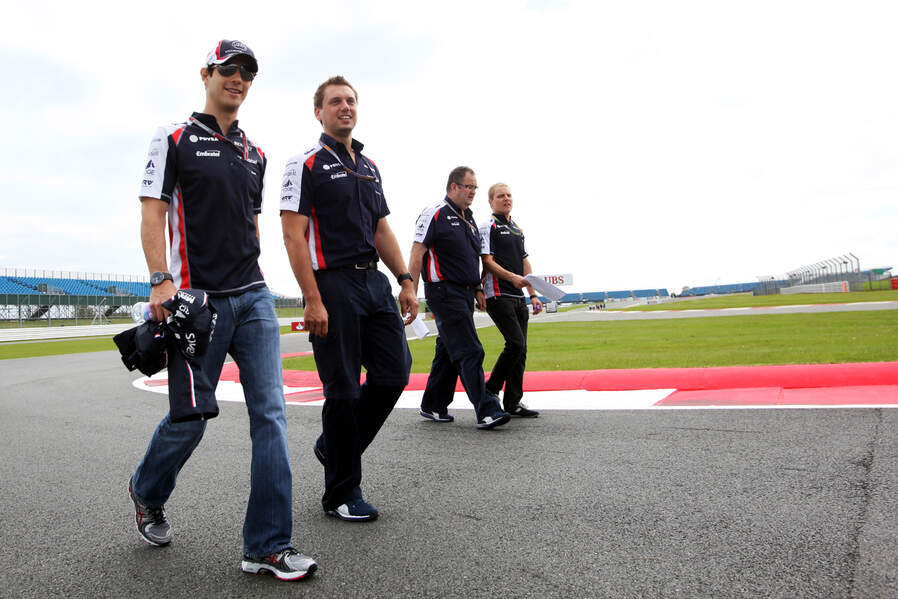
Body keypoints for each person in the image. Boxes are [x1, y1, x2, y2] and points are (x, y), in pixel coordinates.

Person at [129, 40, 316, 581]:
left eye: (248, 73)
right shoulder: (173, 139)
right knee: (191, 419)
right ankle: (147, 490)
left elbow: (249, 224)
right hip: (196, 302)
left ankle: (267, 545)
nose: (239, 79)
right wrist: (161, 281)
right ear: (207, 73)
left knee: (272, 416)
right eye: (230, 69)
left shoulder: (254, 153)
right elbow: (153, 213)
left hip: (254, 295)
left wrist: (262, 276)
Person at [281, 76, 416, 523]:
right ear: (318, 112)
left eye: (351, 101)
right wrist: (311, 298)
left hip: (374, 283)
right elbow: (292, 234)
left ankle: (334, 447)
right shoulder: (305, 164)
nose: (345, 107)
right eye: (335, 101)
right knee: (341, 390)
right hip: (332, 286)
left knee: (395, 372)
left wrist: (405, 279)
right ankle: (341, 492)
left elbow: (382, 230)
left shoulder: (370, 166)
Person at [407, 167, 511, 430]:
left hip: (465, 292)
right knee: (469, 349)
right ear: (453, 187)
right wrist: (410, 290)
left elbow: (471, 260)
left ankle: (433, 404)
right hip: (443, 292)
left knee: (449, 350)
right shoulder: (435, 213)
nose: (472, 192)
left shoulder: (470, 220)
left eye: (475, 188)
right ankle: (486, 409)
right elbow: (417, 252)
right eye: (468, 187)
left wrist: (478, 290)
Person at [480, 183, 542, 418]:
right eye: (500, 196)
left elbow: (525, 262)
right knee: (515, 343)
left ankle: (513, 402)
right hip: (498, 293)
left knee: (522, 350)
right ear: (491, 201)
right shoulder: (488, 226)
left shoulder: (517, 228)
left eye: (508, 195)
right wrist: (511, 277)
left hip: (519, 296)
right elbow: (487, 261)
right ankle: (490, 389)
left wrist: (533, 293)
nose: (506, 199)